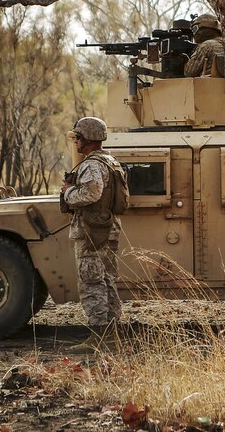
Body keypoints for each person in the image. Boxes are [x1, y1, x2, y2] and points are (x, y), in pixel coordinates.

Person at [60, 116, 124, 351]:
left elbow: (91, 193)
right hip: (107, 230)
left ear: (86, 139)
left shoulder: (92, 164)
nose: (76, 141)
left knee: (92, 283)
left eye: (78, 137)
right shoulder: (111, 161)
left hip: (91, 233)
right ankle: (112, 335)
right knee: (106, 281)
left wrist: (68, 192)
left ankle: (100, 338)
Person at [184, 13, 225, 77]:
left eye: (195, 29)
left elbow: (189, 72)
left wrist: (184, 60)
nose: (194, 33)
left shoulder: (206, 46)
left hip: (209, 85)